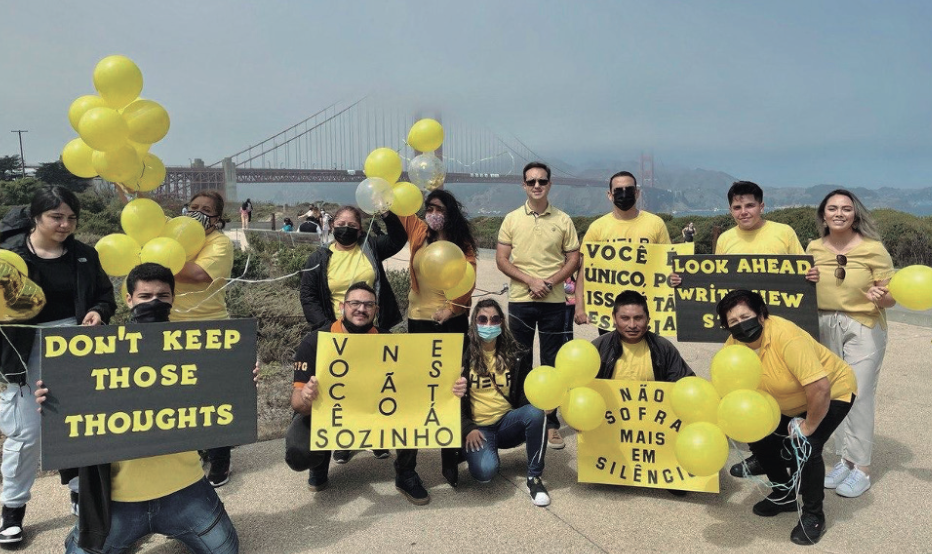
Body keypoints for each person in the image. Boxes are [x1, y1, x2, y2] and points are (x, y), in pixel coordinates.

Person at [37, 263, 239, 554]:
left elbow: (222, 405)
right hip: (118, 500)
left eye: (162, 295)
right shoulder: (99, 352)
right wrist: (51, 402)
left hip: (185, 490)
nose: (154, 302)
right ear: (129, 299)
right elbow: (72, 417)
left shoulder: (199, 349)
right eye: (144, 297)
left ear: (173, 298)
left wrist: (242, 382)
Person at [668, 181, 818, 477]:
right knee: (749, 390)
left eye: (749, 205)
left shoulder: (783, 233)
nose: (743, 211)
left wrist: (811, 275)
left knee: (784, 389)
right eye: (737, 207)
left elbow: (800, 273)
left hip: (778, 330)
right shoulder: (724, 238)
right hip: (742, 334)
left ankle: (791, 450)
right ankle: (760, 454)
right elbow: (716, 279)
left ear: (762, 206)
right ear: (730, 210)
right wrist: (682, 282)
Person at [0, 186, 116, 545]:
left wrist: (98, 311)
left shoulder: (84, 255)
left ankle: (81, 493)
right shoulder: (8, 256)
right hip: (24, 349)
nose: (65, 225)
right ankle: (11, 508)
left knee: (79, 424)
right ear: (36, 217)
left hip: (76, 347)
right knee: (27, 433)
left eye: (71, 218)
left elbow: (104, 295)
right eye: (56, 217)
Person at [286, 282, 467, 505]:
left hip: (370, 413)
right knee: (299, 452)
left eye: (368, 304)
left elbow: (417, 386)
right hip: (329, 414)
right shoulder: (315, 342)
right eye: (355, 303)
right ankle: (318, 464)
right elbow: (297, 403)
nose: (361, 309)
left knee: (411, 410)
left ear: (376, 310)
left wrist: (449, 384)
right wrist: (306, 398)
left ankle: (406, 474)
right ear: (342, 307)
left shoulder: (388, 341)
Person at [717, 290, 857, 546]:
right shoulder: (733, 344)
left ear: (761, 314)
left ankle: (814, 516)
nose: (740, 325)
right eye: (732, 322)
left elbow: (820, 388)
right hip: (785, 400)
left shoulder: (787, 336)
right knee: (758, 434)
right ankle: (784, 493)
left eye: (745, 317)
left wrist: (810, 425)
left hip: (831, 392)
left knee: (807, 446)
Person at [299, 206, 406, 463]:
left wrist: (386, 214)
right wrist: (325, 329)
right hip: (336, 335)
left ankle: (376, 437)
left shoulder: (370, 246)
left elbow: (398, 240)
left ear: (360, 228)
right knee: (343, 390)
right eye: (340, 222)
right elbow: (308, 295)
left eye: (351, 223)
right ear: (332, 225)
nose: (345, 227)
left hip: (372, 331)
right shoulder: (319, 258)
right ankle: (342, 441)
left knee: (374, 387)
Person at [808, 189, 894, 498]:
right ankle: (845, 460)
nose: (839, 213)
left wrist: (883, 297)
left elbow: (891, 298)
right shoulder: (813, 247)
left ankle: (863, 468)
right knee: (833, 394)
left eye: (846, 208)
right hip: (823, 323)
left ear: (855, 213)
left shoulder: (874, 249)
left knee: (858, 393)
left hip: (864, 325)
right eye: (832, 208)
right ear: (823, 214)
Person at [497, 162, 580, 450]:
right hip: (521, 300)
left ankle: (551, 422)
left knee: (552, 362)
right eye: (531, 181)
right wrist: (531, 281)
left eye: (542, 181)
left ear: (549, 184)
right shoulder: (510, 219)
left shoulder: (564, 219)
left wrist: (550, 282)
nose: (536, 186)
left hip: (555, 303)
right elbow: (502, 260)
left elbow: (573, 259)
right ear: (523, 185)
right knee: (519, 361)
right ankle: (523, 418)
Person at [449, 299, 550, 506]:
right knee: (485, 474)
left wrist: (540, 402)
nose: (489, 325)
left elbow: (523, 394)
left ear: (502, 323)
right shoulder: (459, 355)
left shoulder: (515, 353)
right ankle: (475, 452)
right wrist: (467, 428)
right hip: (477, 429)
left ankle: (534, 477)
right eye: (482, 319)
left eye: (495, 319)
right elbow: (448, 402)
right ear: (474, 323)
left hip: (506, 423)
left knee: (536, 412)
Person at [172, 191, 236, 487]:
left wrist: (156, 260)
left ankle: (220, 461)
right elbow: (138, 209)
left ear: (217, 218)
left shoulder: (219, 243)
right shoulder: (174, 237)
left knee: (213, 399)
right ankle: (194, 452)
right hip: (169, 327)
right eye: (193, 207)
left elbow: (197, 274)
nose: (197, 212)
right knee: (181, 398)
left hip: (209, 328)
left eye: (206, 210)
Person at [574, 170, 671, 334]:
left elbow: (668, 264)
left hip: (648, 312)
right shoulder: (597, 228)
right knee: (612, 357)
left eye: (629, 189)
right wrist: (579, 307)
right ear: (609, 195)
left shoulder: (656, 224)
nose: (624, 194)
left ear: (637, 193)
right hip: (609, 312)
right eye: (618, 190)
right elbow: (585, 272)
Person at [400, 189, 478, 335]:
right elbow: (401, 207)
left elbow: (469, 278)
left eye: (439, 209)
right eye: (430, 209)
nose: (434, 213)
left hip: (449, 321)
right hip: (417, 318)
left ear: (450, 213)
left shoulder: (461, 244)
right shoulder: (419, 231)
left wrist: (451, 309)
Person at [592, 291, 694, 383]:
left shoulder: (663, 348)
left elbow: (684, 384)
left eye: (638, 318)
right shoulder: (599, 348)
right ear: (614, 318)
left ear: (648, 318)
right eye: (625, 318)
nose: (632, 325)